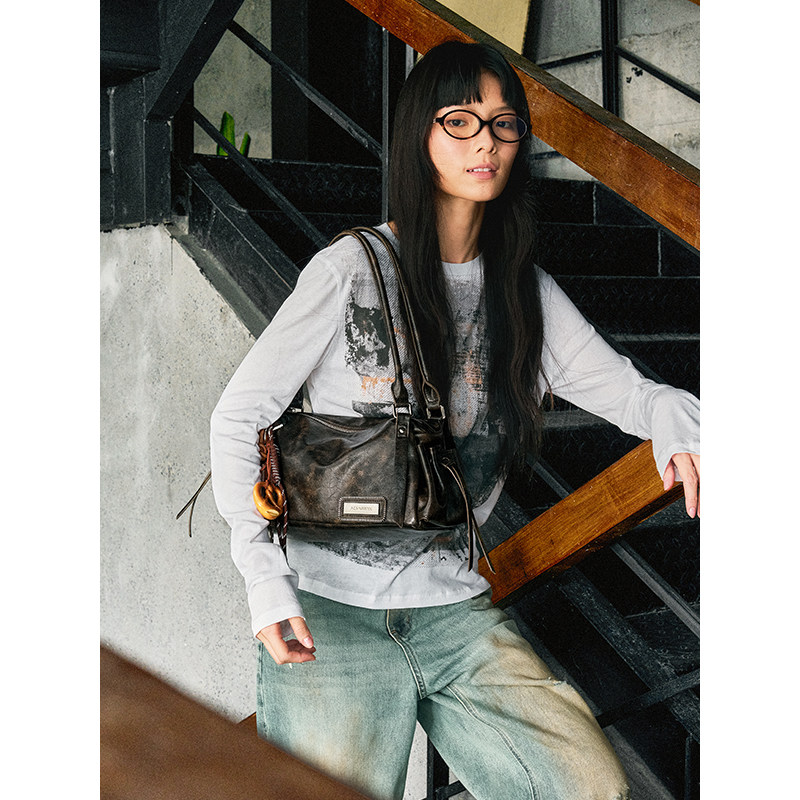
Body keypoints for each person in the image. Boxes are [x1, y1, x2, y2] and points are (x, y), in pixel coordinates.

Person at [210, 40, 700, 800]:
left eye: (504, 124)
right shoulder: (351, 270)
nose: (486, 142)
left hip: (454, 613)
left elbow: (633, 395)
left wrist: (675, 416)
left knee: (584, 788)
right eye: (461, 120)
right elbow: (240, 416)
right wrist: (265, 582)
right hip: (328, 613)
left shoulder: (523, 291)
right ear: (421, 135)